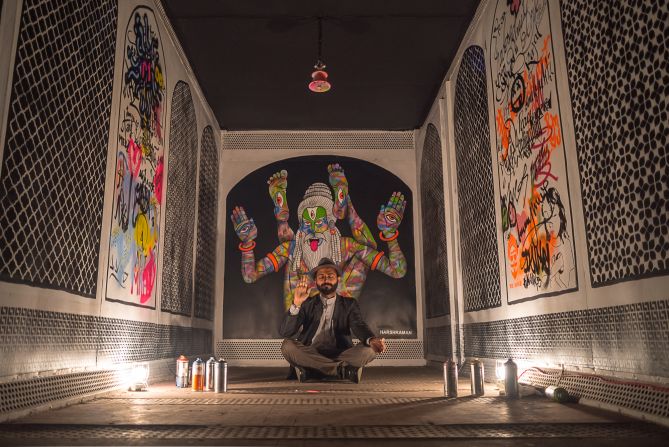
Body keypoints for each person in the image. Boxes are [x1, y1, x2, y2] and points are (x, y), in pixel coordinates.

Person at [279, 257, 387, 383]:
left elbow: (359, 325)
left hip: (341, 354)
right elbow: (286, 332)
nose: (326, 280)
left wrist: (372, 340)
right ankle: (341, 371)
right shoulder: (306, 303)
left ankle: (315, 370)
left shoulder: (349, 304)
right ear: (315, 281)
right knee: (287, 346)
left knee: (370, 349)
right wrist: (296, 304)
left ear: (338, 279)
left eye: (330, 276)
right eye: (321, 277)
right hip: (310, 352)